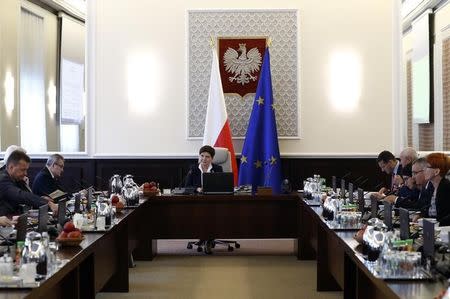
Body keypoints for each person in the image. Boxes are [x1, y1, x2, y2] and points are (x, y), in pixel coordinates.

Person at [0, 151, 58, 216]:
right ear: (11, 167)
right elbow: (21, 195)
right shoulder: (2, 180)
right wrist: (47, 203)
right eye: (22, 170)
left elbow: (28, 195)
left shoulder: (16, 178)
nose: (25, 173)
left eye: (26, 170)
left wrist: (40, 198)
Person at [422, 153, 450, 226]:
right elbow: (425, 207)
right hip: (432, 227)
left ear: (436, 171)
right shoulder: (431, 186)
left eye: (427, 167)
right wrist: (419, 214)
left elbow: (445, 216)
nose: (423, 169)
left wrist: (437, 223)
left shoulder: (446, 187)